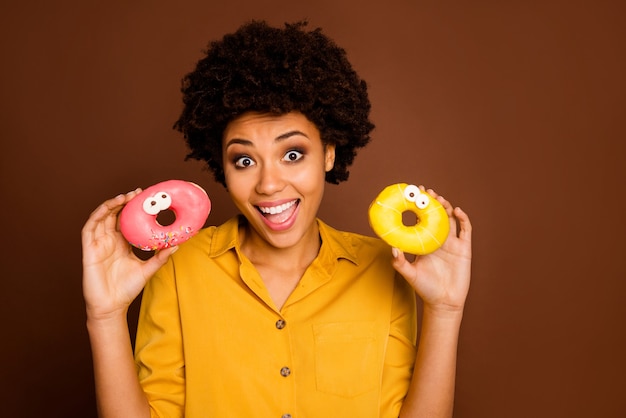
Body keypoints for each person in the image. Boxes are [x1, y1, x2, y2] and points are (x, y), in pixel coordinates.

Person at [81, 20, 472, 418]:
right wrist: (106, 317)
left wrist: (444, 311)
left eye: (292, 154)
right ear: (223, 167)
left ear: (329, 153)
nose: (268, 184)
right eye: (245, 160)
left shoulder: (385, 269)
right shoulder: (177, 265)